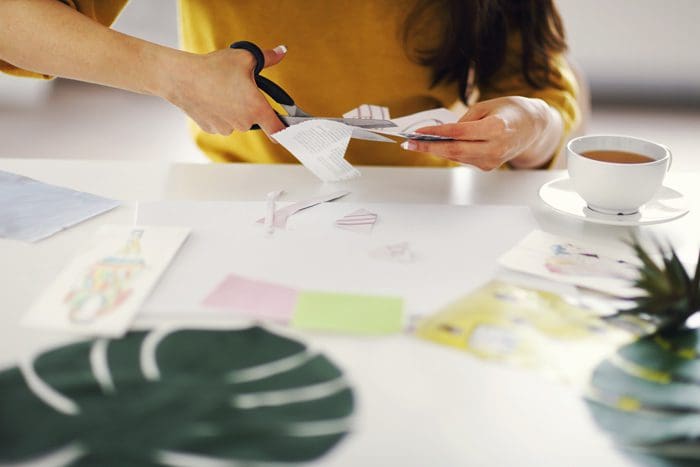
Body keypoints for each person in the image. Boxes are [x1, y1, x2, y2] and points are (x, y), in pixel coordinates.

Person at [0, 0, 579, 170]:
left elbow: (544, 100)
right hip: (241, 195)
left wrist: (528, 126)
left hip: (423, 205)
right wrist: (172, 74)